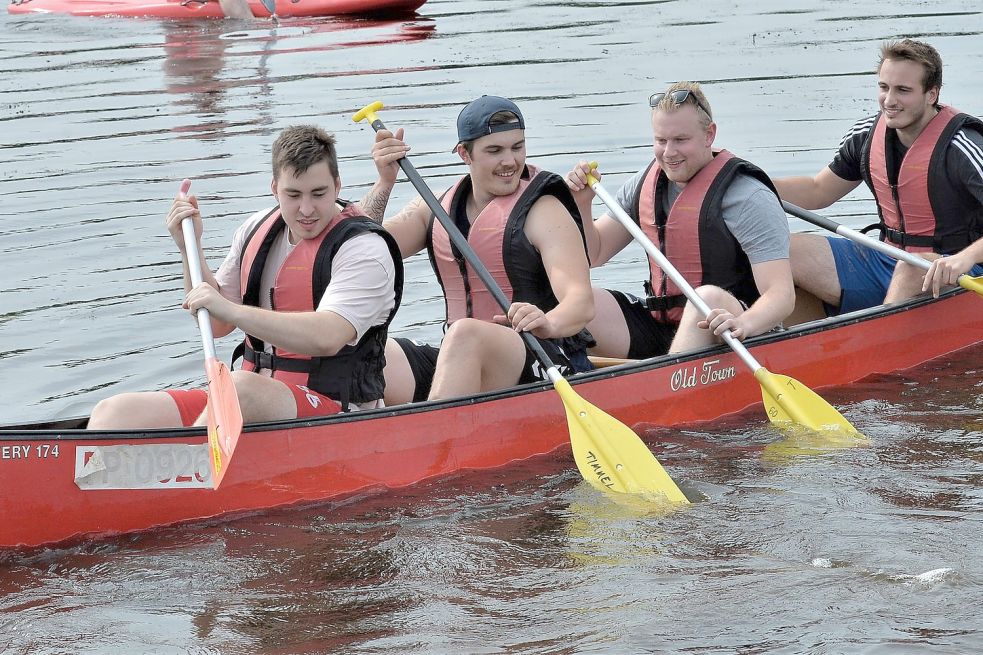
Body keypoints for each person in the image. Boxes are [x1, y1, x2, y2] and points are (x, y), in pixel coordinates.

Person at [87, 125, 402, 429]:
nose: (307, 209)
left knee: (240, 389)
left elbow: (328, 336)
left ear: (337, 186)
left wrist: (234, 311)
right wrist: (190, 250)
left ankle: (189, 472)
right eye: (293, 195)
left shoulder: (364, 248)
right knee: (115, 412)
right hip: (254, 397)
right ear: (274, 188)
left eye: (318, 193)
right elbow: (217, 324)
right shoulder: (254, 229)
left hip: (336, 408)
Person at [357, 95, 595, 404]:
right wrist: (384, 183)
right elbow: (359, 251)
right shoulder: (433, 209)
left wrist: (548, 322)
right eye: (494, 150)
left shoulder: (544, 210)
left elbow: (581, 302)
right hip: (463, 355)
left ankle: (435, 439)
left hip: (544, 359)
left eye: (517, 147)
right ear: (464, 154)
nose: (509, 161)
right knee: (370, 348)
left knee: (466, 334)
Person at [564, 81, 794, 359]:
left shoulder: (748, 196)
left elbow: (781, 296)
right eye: (661, 141)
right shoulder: (643, 185)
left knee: (705, 299)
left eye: (680, 140)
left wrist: (743, 323)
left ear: (709, 134)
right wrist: (582, 204)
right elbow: (595, 253)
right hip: (663, 326)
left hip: (736, 331)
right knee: (574, 299)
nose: (669, 152)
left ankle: (665, 384)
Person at [775, 38, 983, 321]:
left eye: (903, 91)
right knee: (782, 250)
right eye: (884, 87)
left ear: (931, 94)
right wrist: (750, 181)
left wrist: (965, 258)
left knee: (911, 268)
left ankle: (877, 340)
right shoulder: (865, 136)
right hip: (885, 259)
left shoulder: (963, 146)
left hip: (956, 269)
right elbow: (817, 191)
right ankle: (794, 344)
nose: (890, 100)